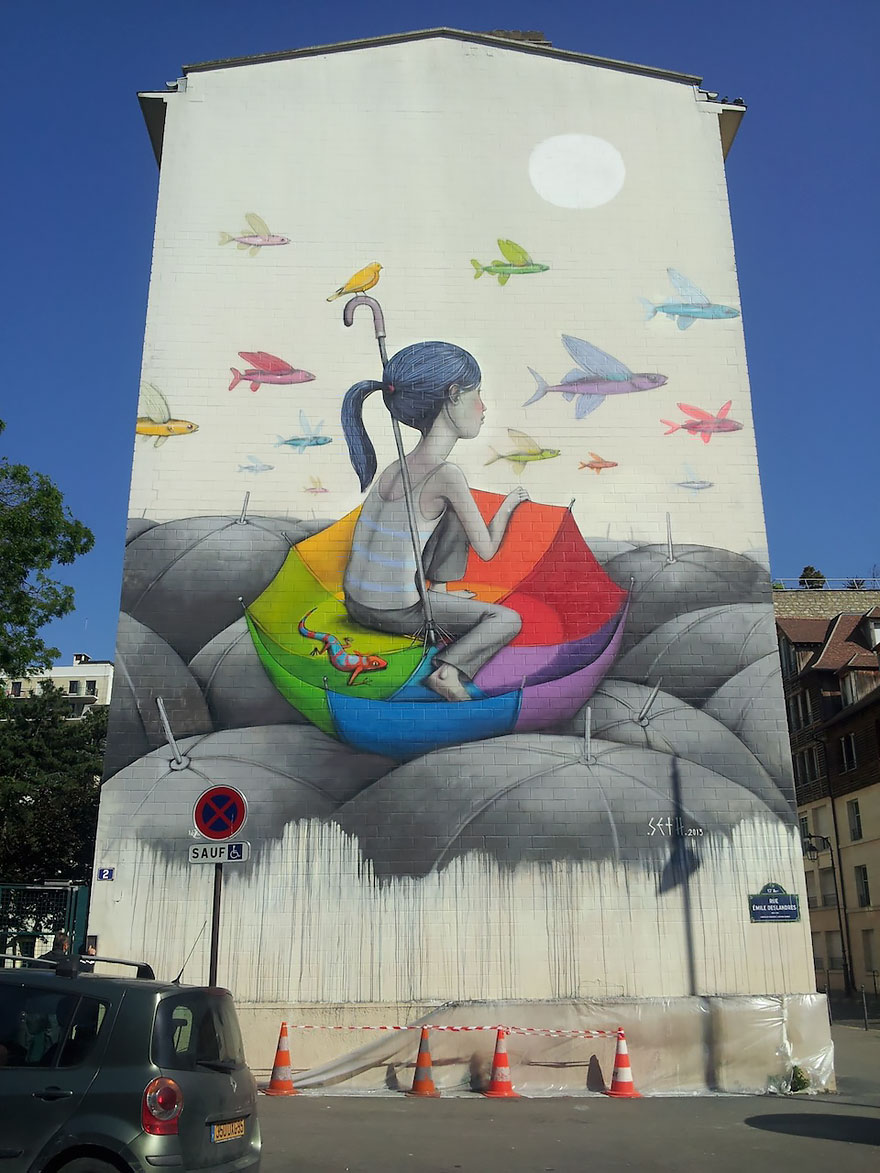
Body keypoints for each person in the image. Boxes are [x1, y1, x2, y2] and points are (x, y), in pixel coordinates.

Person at [341, 340, 527, 702]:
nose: (483, 407)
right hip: (395, 613)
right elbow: (487, 550)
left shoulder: (395, 468)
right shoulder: (446, 475)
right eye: (477, 394)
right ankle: (447, 673)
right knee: (507, 619)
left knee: (451, 514)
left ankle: (438, 591)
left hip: (355, 603)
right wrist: (507, 507)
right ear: (453, 395)